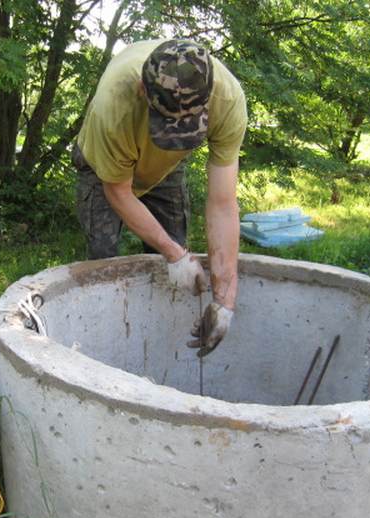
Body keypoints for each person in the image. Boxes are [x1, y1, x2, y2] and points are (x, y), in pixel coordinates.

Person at [73, 39, 247, 356]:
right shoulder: (116, 101)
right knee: (103, 256)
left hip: (165, 168)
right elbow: (119, 191)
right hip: (104, 170)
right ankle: (105, 349)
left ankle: (159, 345)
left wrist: (225, 300)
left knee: (178, 257)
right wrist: (173, 254)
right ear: (143, 89)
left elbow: (222, 204)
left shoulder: (228, 99)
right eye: (169, 120)